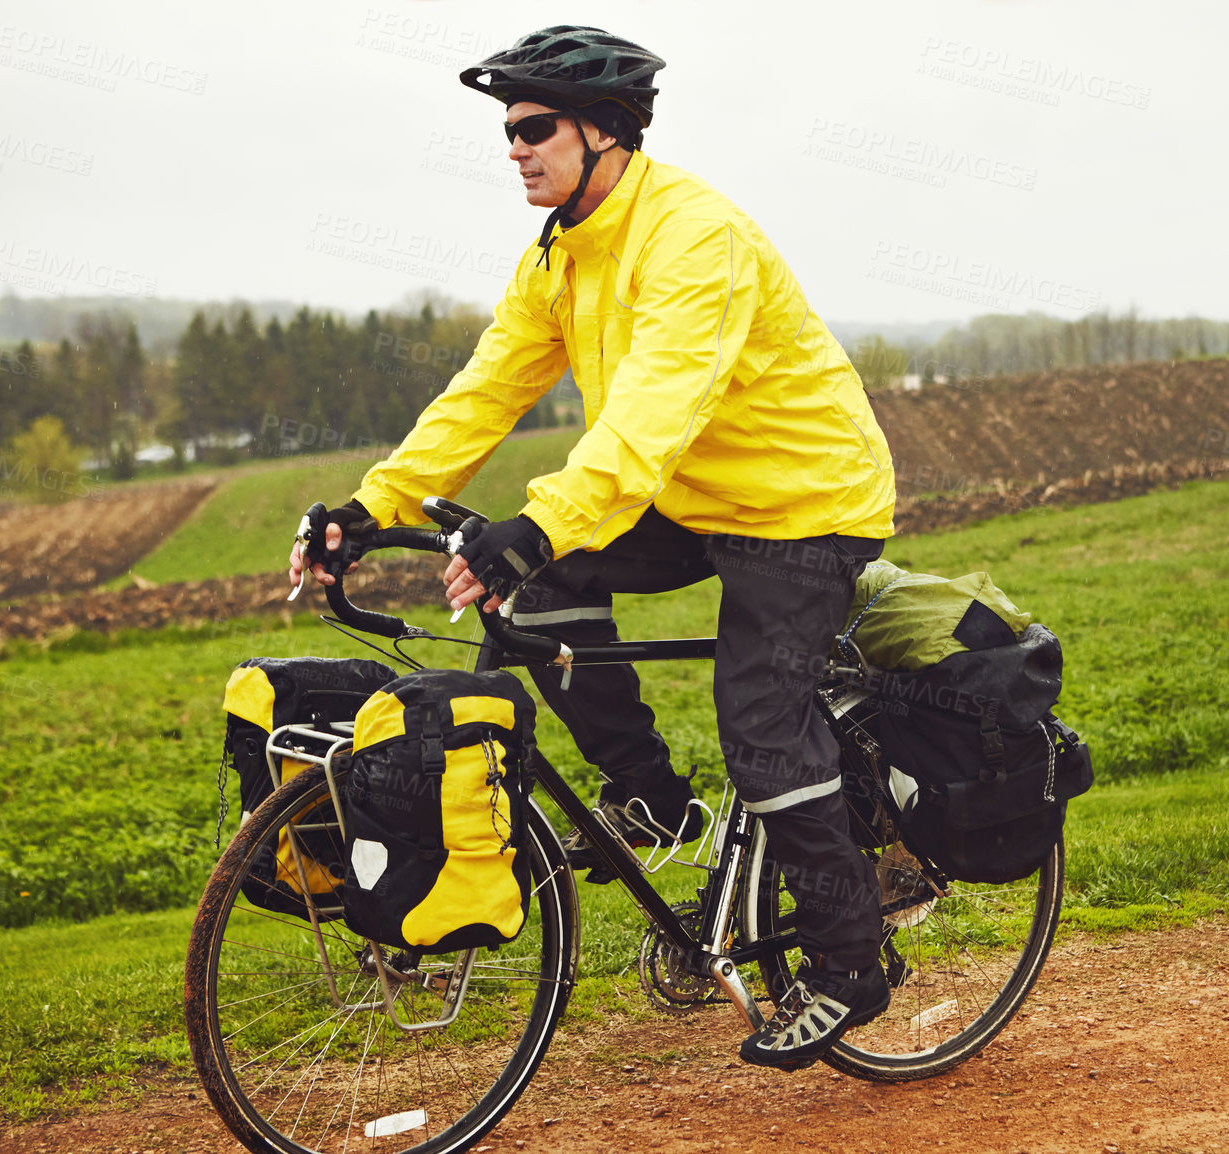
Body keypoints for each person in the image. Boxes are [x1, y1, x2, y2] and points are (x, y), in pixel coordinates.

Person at [289, 25, 897, 1070]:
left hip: (804, 505)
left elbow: (652, 411)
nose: (514, 149)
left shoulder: (692, 238)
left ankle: (850, 960)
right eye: (508, 132)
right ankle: (653, 797)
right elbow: (484, 390)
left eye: (533, 128)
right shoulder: (562, 252)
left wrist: (535, 524)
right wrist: (370, 504)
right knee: (532, 594)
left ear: (605, 133)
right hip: (694, 496)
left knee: (759, 720)